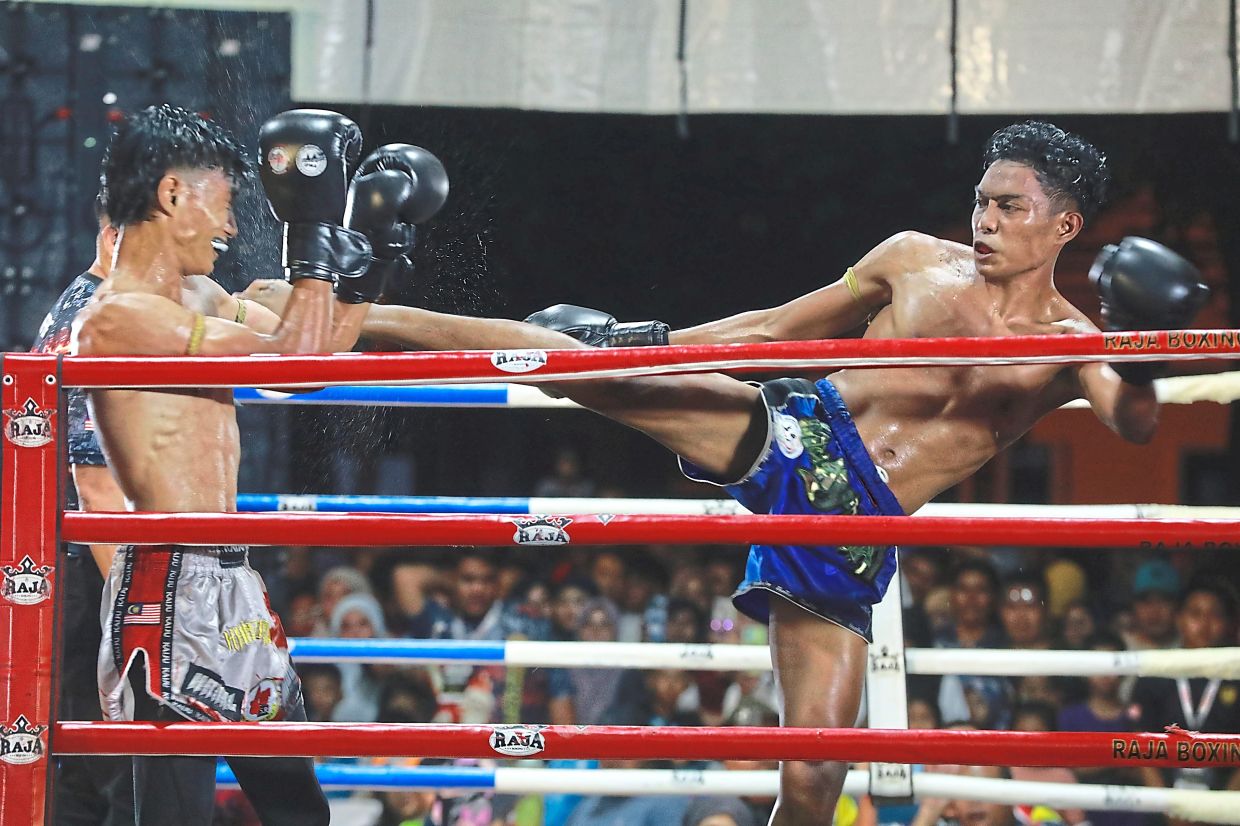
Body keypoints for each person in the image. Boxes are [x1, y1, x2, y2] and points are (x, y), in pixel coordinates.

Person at [243, 121, 1209, 824]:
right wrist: (653, 344)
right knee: (579, 364)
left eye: (1012, 206)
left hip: (856, 531)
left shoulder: (1075, 343)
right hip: (802, 434)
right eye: (982, 199)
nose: (987, 218)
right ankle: (356, 308)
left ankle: (366, 309)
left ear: (1066, 225)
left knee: (813, 774)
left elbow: (1131, 420)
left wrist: (1150, 348)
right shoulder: (915, 261)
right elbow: (775, 329)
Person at [74, 105, 442, 825]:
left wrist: (370, 255)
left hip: (233, 586)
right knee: (172, 819)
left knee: (300, 812)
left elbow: (319, 354)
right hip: (166, 588)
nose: (233, 227)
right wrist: (308, 232)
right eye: (223, 203)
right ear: (173, 195)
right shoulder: (118, 318)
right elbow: (293, 366)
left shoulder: (198, 298)